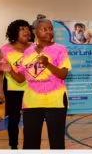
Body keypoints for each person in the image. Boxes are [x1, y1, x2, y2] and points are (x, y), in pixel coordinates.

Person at [13, 18, 69, 149]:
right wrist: (9, 70)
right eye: (44, 29)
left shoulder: (60, 49)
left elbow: (63, 74)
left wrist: (47, 64)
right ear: (35, 31)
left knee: (57, 142)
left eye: (50, 29)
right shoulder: (27, 52)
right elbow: (21, 79)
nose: (48, 32)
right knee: (30, 143)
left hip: (55, 101)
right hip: (31, 102)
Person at [0, 20, 33, 150]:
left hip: (33, 90)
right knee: (13, 119)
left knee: (31, 121)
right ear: (14, 32)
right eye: (22, 28)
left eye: (27, 28)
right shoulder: (4, 50)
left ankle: (29, 146)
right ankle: (14, 146)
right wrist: (0, 92)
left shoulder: (35, 48)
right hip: (13, 90)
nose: (26, 31)